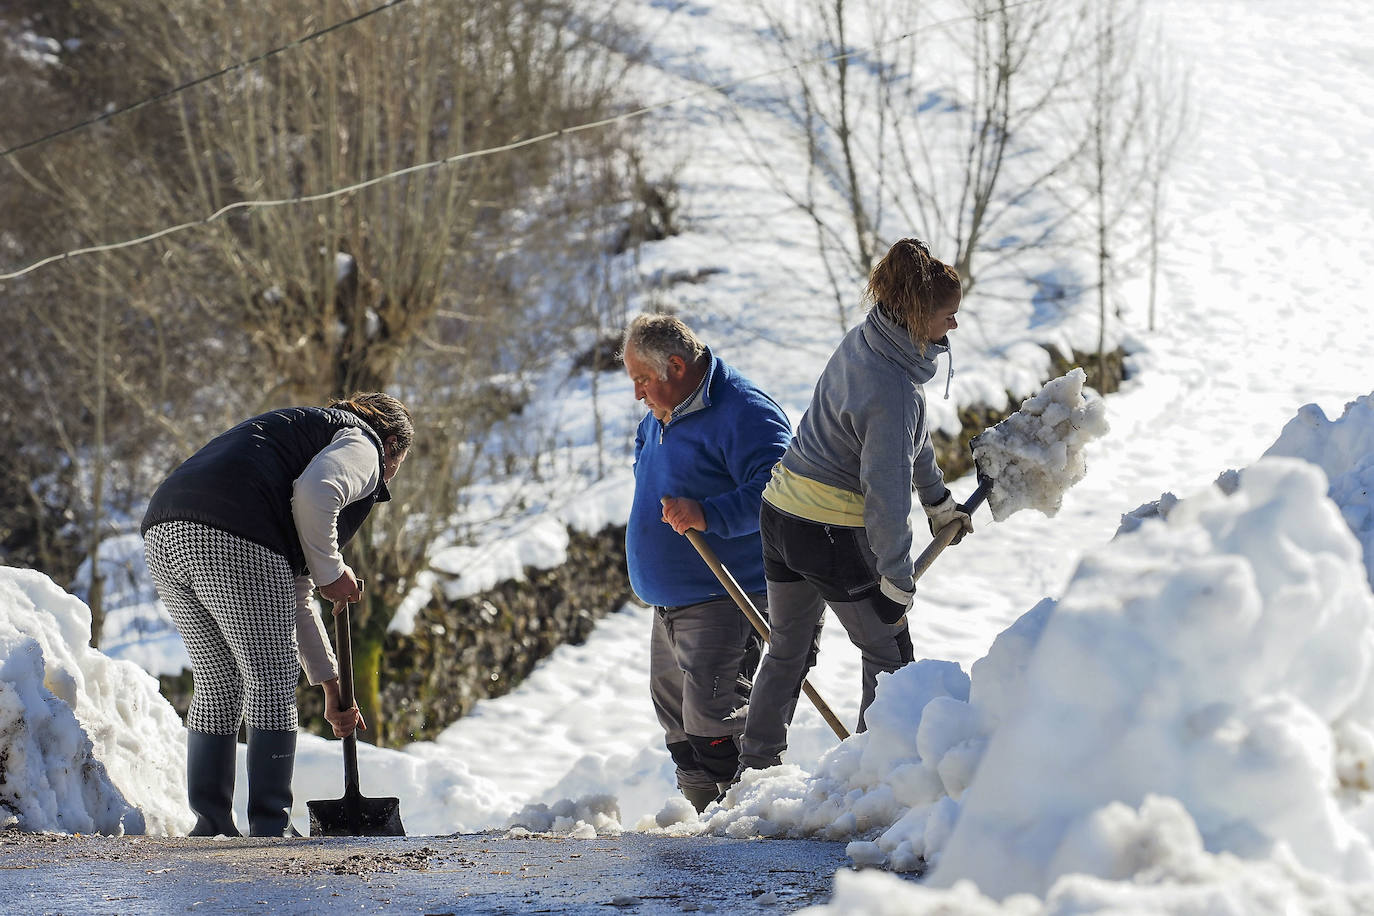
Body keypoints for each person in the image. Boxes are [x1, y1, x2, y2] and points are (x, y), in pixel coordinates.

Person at [737, 238, 974, 775]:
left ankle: (753, 771)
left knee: (787, 650)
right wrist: (896, 582)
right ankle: (873, 776)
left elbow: (908, 439)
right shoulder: (892, 389)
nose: (953, 328)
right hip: (827, 531)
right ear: (918, 315)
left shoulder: (869, 339)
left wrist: (937, 502)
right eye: (948, 316)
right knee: (890, 656)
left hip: (780, 514)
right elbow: (885, 498)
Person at [140, 392, 413, 837]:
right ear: (391, 444)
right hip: (234, 534)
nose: (383, 482)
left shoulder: (297, 438)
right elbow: (319, 490)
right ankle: (271, 825)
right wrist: (333, 570)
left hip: (166, 531)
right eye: (390, 475)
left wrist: (331, 685)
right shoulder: (363, 443)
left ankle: (212, 825)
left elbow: (293, 594)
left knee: (219, 680)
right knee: (271, 678)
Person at [622, 314, 793, 812]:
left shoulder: (745, 413)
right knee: (680, 731)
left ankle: (749, 832)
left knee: (715, 726)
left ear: (676, 366)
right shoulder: (663, 411)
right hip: (670, 602)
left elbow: (779, 492)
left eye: (642, 380)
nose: (638, 394)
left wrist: (708, 513)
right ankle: (707, 836)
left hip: (726, 595)